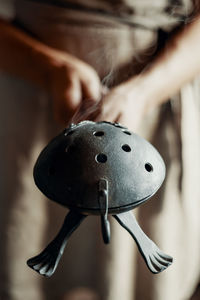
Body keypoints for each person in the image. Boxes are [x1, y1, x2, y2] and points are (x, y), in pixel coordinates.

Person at [0, 0, 200, 299]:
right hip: (33, 96)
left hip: (156, 96)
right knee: (28, 239)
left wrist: (144, 92)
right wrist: (48, 67)